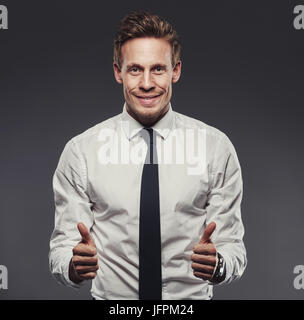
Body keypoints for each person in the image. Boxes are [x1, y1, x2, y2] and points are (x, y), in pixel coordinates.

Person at [49, 10, 247, 300]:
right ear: (118, 71)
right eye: (134, 69)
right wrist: (74, 265)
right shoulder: (81, 152)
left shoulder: (215, 148)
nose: (146, 83)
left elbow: (232, 248)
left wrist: (218, 265)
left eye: (158, 69)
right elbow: (62, 249)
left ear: (175, 71)